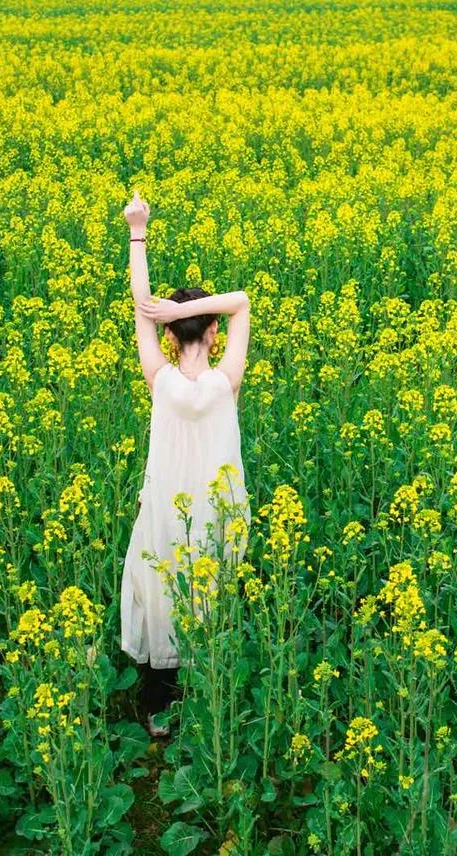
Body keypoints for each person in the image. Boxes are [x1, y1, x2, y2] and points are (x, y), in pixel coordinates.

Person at [120, 189, 252, 738]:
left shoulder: (161, 381)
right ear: (214, 333)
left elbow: (140, 306)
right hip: (217, 508)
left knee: (160, 591)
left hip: (164, 510)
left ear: (167, 336)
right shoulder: (227, 381)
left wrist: (137, 231)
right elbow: (241, 301)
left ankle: (157, 709)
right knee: (210, 592)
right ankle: (209, 699)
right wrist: (191, 309)